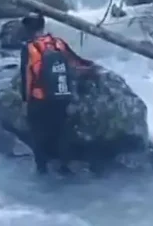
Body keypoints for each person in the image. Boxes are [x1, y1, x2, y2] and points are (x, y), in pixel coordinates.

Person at [19, 12, 97, 175]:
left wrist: (26, 101)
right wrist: (91, 68)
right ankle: (64, 166)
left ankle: (42, 169)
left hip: (39, 99)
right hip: (61, 96)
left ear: (27, 29)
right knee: (61, 132)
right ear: (42, 25)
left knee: (39, 134)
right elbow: (75, 62)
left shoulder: (29, 48)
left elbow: (27, 76)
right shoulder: (57, 43)